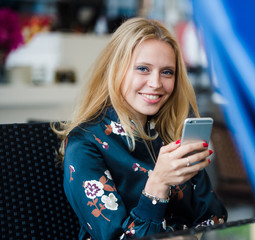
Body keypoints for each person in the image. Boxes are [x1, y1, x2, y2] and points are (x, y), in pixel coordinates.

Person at [53, 17, 227, 240]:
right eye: (143, 69)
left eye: (167, 72)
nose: (156, 83)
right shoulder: (85, 144)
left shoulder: (168, 134)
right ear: (115, 70)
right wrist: (158, 184)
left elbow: (214, 218)